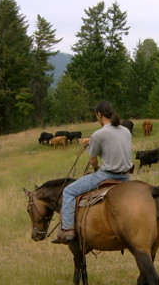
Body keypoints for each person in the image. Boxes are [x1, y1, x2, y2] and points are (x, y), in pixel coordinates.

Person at [55, 100, 133, 244]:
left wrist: (95, 167)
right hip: (126, 177)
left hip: (107, 175)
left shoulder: (99, 134)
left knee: (69, 191)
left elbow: (93, 161)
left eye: (96, 116)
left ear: (99, 114)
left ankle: (67, 229)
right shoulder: (125, 130)